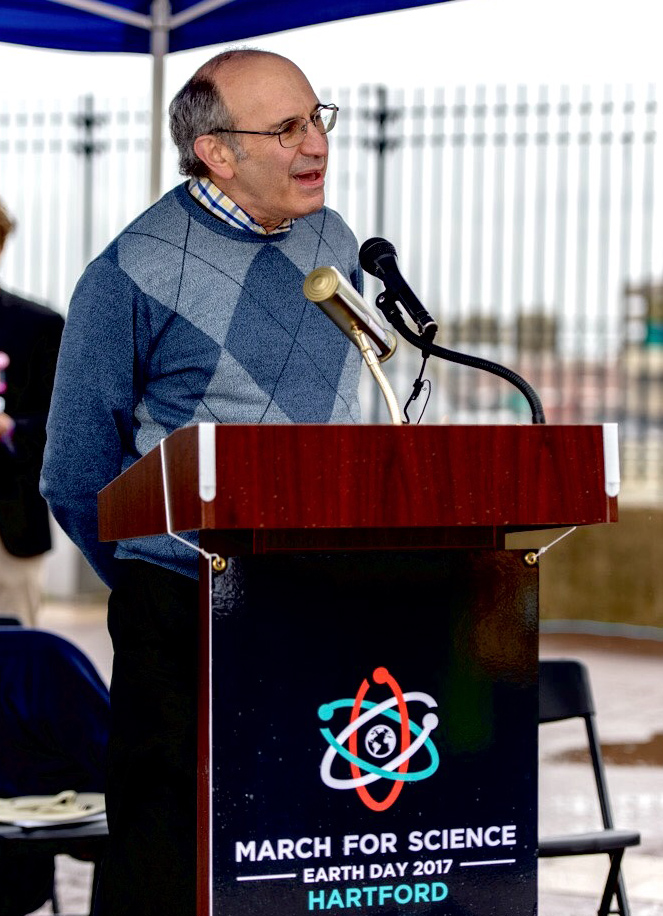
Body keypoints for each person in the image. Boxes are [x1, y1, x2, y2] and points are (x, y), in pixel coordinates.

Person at [41, 49, 364, 916]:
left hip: (318, 597)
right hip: (184, 607)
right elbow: (74, 472)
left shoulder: (333, 242)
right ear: (218, 153)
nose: (315, 144)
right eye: (286, 128)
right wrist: (156, 574)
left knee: (306, 846)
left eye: (317, 117)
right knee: (171, 857)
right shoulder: (128, 272)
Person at [0, 200, 64, 626]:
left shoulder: (39, 326)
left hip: (11, 523)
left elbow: (65, 426)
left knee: (13, 659)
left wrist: (9, 428)